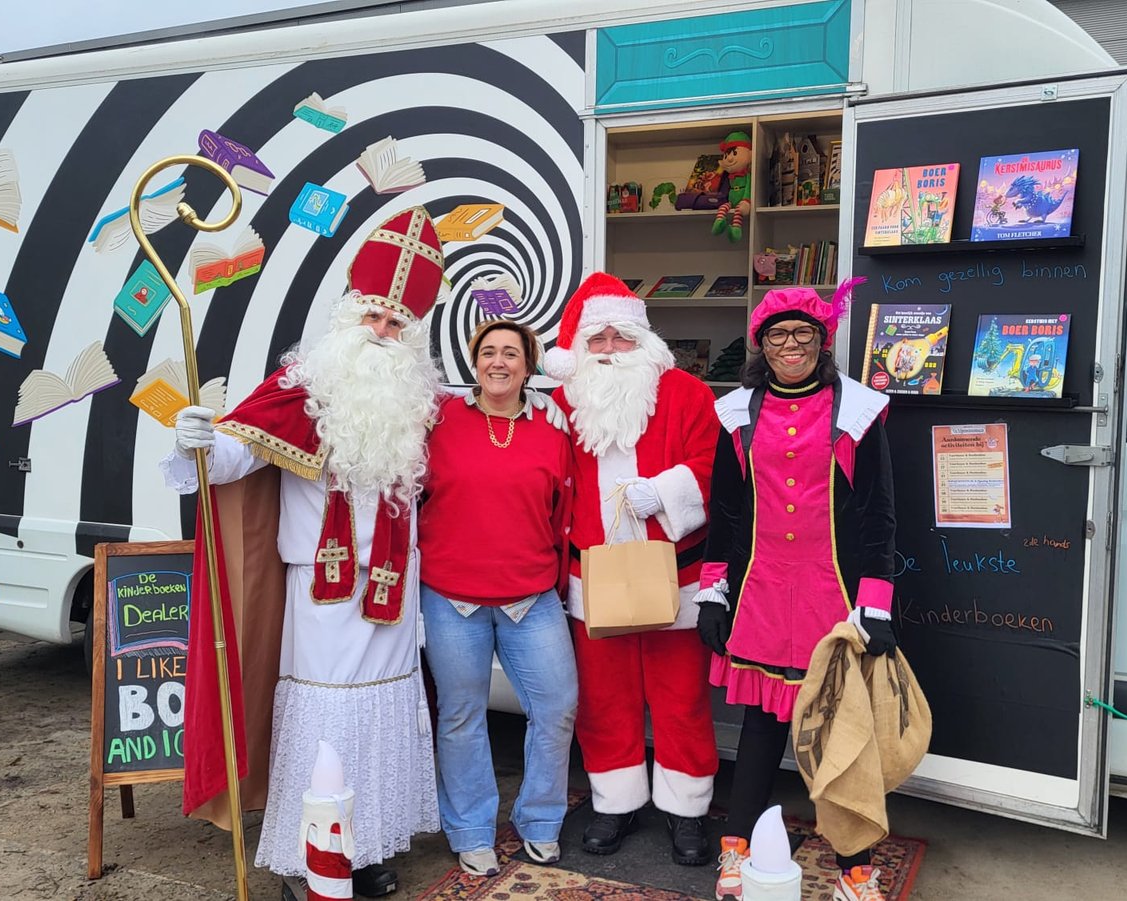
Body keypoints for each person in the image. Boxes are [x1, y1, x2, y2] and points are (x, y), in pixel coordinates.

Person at [163, 207, 448, 898]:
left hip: (393, 593)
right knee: (327, 721)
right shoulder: (304, 388)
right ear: (349, 316)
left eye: (396, 324)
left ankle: (364, 847)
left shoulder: (419, 403)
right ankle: (305, 859)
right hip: (323, 596)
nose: (381, 333)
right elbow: (234, 456)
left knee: (383, 720)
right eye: (373, 316)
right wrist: (198, 440)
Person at [696, 281, 899, 901]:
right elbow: (725, 512)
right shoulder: (737, 413)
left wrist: (876, 603)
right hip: (760, 590)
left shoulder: (857, 410)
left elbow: (879, 514)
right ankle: (737, 853)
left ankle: (855, 871)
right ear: (761, 343)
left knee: (839, 737)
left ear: (822, 340)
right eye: (777, 334)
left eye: (803, 333)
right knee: (760, 729)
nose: (791, 345)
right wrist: (713, 592)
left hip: (830, 594)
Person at [543, 272, 721, 866]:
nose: (610, 350)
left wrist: (667, 491)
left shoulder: (688, 394)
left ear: (645, 341)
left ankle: (686, 809)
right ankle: (614, 802)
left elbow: (715, 467)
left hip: (676, 578)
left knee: (681, 697)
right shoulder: (562, 405)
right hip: (592, 581)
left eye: (622, 338)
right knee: (604, 699)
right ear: (580, 348)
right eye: (598, 340)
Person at [418, 319, 578, 876]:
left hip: (531, 596)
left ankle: (540, 820)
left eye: (511, 353)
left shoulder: (552, 428)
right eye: (489, 352)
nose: (499, 362)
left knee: (557, 707)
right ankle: (470, 830)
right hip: (451, 597)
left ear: (528, 365)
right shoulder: (438, 420)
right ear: (475, 362)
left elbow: (563, 510)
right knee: (461, 715)